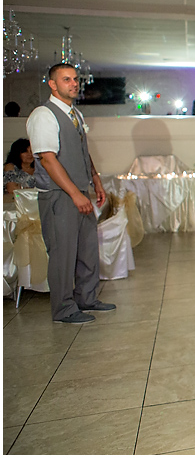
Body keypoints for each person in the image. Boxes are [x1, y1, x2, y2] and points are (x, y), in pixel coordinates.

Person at [25, 63, 115, 324]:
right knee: (62, 254)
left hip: (80, 191)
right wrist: (75, 194)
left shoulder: (76, 113)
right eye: (66, 79)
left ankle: (86, 297)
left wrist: (95, 180)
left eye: (75, 79)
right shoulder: (44, 115)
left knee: (87, 249)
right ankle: (64, 309)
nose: (74, 84)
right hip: (59, 195)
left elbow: (82, 152)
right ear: (53, 84)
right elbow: (48, 159)